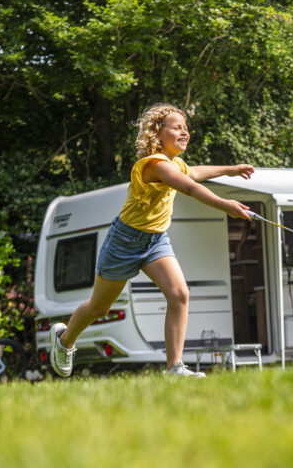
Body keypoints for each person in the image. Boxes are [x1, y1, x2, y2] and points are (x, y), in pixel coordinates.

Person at [49, 103, 254, 378]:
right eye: (177, 128)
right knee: (99, 307)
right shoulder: (154, 165)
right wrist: (224, 205)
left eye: (186, 128)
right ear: (157, 134)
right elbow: (190, 186)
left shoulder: (176, 164)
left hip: (155, 241)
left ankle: (175, 368)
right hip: (124, 242)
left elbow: (194, 173)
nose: (184, 132)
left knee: (179, 294)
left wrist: (230, 169)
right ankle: (64, 340)